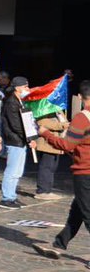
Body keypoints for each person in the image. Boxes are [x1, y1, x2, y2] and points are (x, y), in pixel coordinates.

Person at [34, 81, 90, 262]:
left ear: (80, 98)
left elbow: (67, 144)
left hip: (85, 171)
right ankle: (59, 243)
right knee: (77, 210)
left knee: (87, 212)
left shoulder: (82, 118)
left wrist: (45, 134)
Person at [0, 76, 36, 209]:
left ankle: (11, 195)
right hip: (14, 140)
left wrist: (32, 135)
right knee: (12, 170)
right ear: (18, 88)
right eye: (26, 87)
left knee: (18, 171)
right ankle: (6, 198)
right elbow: (16, 125)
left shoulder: (20, 102)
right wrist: (29, 137)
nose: (28, 89)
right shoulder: (11, 102)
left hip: (21, 141)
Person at [35, 109, 69, 200]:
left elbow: (64, 121)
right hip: (47, 143)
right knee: (46, 166)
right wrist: (61, 126)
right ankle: (42, 190)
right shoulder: (44, 109)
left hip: (57, 143)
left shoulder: (58, 110)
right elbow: (42, 122)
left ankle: (47, 190)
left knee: (52, 167)